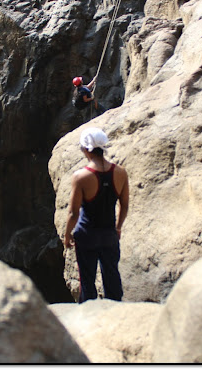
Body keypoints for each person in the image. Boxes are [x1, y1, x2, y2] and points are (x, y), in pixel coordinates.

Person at [63, 127, 129, 303]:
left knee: (87, 282)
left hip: (86, 235)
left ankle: (88, 317)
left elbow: (73, 212)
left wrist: (67, 234)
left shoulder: (80, 177)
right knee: (112, 278)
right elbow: (125, 204)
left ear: (86, 149)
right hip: (109, 234)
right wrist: (118, 228)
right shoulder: (121, 172)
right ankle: (117, 315)